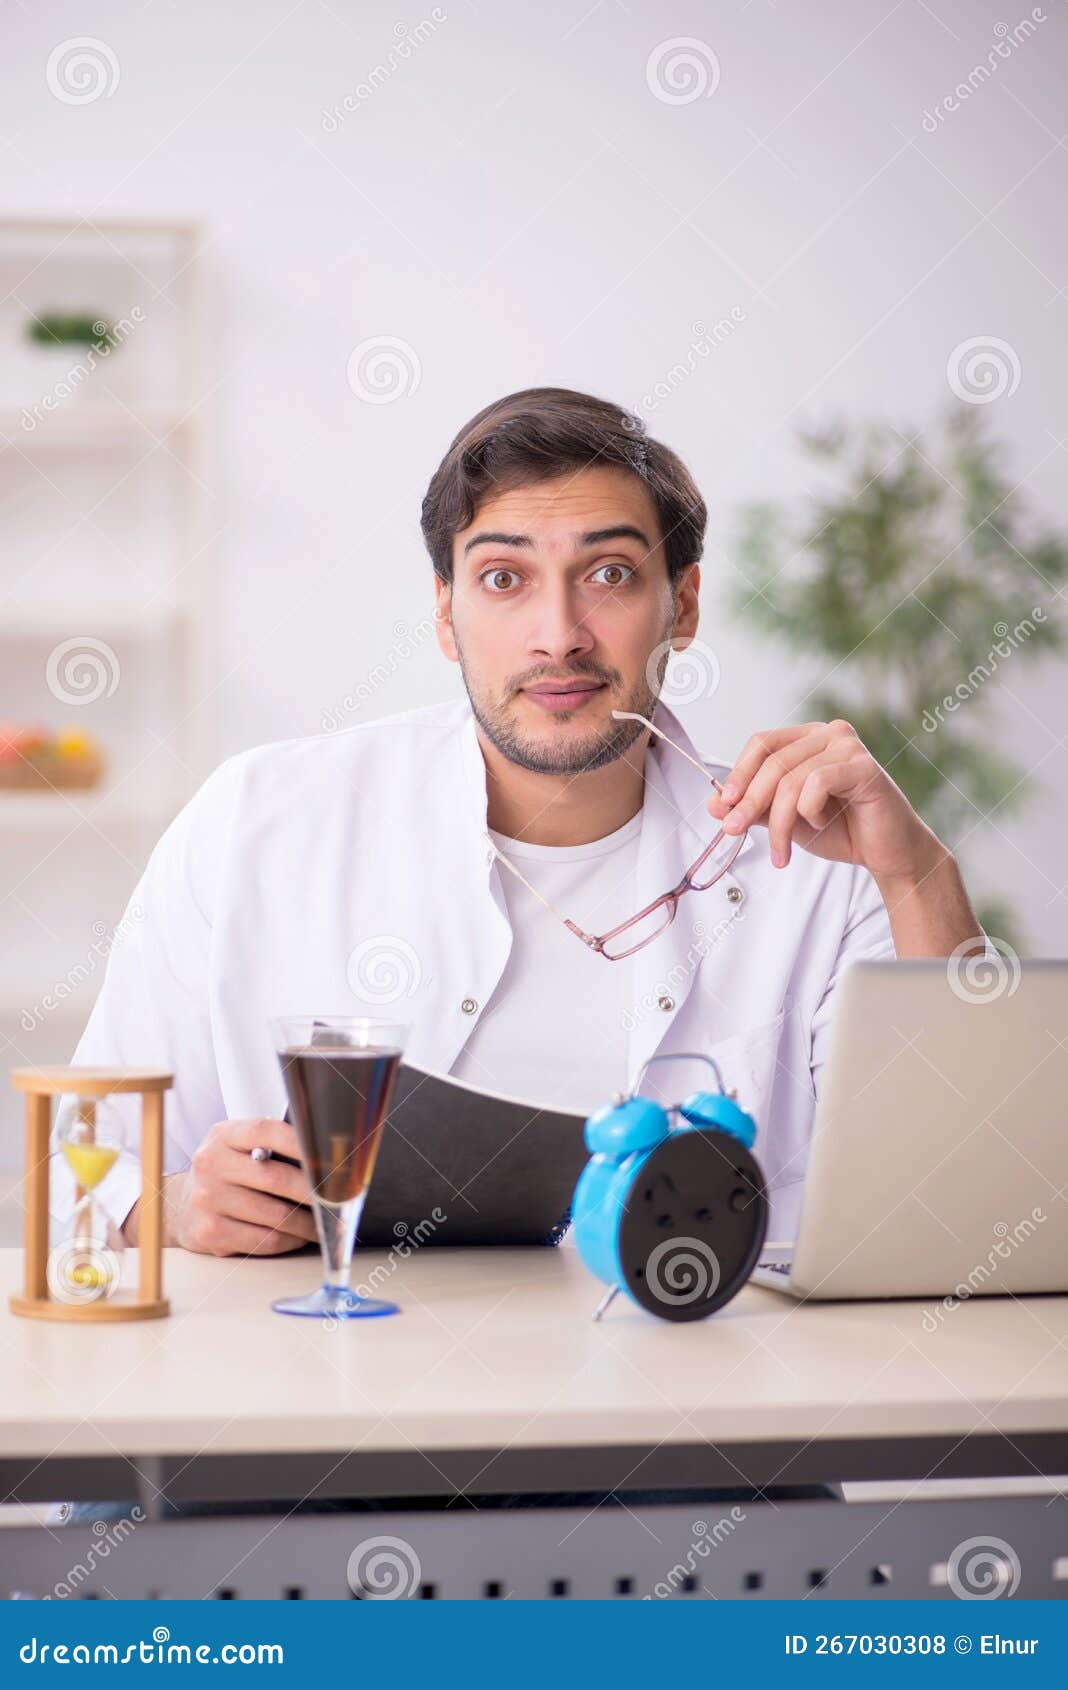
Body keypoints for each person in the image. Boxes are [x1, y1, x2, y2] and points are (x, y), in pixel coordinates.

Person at [53, 385, 990, 1258]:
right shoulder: (257, 821)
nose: (560, 634)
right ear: (447, 617)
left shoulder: (817, 854)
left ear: (684, 604)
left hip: (709, 1407)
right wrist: (173, 1209)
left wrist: (921, 878)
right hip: (336, 1394)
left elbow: (960, 1204)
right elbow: (76, 1170)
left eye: (611, 573)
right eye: (505, 578)